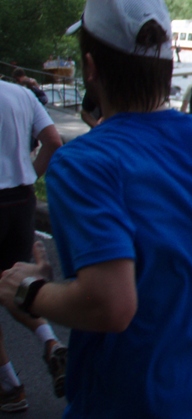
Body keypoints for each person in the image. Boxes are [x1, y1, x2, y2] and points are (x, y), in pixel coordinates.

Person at [0, 0, 192, 417]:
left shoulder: (84, 164)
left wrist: (30, 290)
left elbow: (111, 305)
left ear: (91, 67)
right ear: (168, 59)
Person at [0, 80, 65, 411]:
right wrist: (30, 173)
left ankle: (10, 387)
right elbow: (53, 140)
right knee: (13, 283)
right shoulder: (22, 93)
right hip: (22, 200)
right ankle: (51, 343)